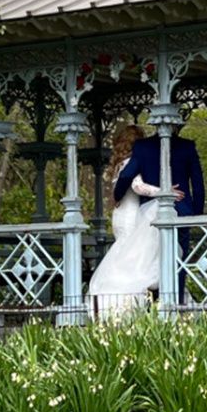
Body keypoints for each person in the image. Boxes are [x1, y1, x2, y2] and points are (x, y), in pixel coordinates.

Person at [86, 125, 185, 319]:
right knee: (135, 257)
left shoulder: (119, 164)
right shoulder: (131, 161)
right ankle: (128, 305)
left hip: (121, 214)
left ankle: (124, 303)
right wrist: (164, 191)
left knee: (127, 255)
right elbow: (137, 186)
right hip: (131, 215)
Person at [111, 126, 206, 301]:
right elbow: (198, 184)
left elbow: (126, 176)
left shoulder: (142, 146)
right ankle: (175, 302)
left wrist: (117, 195)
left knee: (149, 259)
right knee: (178, 260)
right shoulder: (187, 146)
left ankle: (154, 302)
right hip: (181, 211)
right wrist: (195, 213)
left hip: (149, 214)